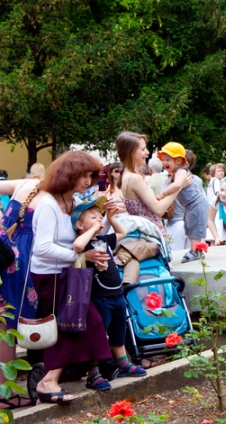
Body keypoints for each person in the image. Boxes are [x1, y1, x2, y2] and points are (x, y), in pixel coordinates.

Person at [30, 151, 115, 403]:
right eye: (83, 175)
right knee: (70, 327)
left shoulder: (72, 203)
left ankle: (77, 375)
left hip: (67, 274)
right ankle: (48, 381)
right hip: (50, 276)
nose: (88, 181)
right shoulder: (48, 204)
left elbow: (86, 233)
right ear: (68, 175)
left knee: (84, 325)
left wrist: (106, 218)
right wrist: (81, 256)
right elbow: (42, 248)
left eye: (90, 175)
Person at [71, 197, 147, 379]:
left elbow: (122, 232)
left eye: (99, 216)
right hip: (100, 296)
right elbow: (77, 246)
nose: (98, 219)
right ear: (80, 225)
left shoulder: (103, 239)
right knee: (98, 335)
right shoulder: (86, 243)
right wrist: (90, 230)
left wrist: (111, 218)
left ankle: (123, 364)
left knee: (118, 331)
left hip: (116, 294)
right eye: (93, 217)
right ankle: (93, 372)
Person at [0, 176, 40, 408]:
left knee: (4, 325)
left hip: (5, 254)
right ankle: (6, 395)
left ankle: (6, 393)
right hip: (20, 263)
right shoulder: (47, 195)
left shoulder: (24, 184)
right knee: (7, 328)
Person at [116, 131, 186, 242]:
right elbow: (158, 209)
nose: (147, 152)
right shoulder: (135, 178)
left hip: (144, 235)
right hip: (150, 236)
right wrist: (179, 186)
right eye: (143, 149)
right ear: (131, 152)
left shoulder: (127, 175)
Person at [157, 143, 210, 263]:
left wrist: (162, 194)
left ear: (179, 161)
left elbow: (177, 185)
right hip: (189, 206)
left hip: (196, 204)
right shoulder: (174, 174)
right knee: (190, 226)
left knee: (195, 226)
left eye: (168, 160)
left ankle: (195, 250)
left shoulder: (181, 171)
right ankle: (194, 249)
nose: (164, 162)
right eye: (163, 160)